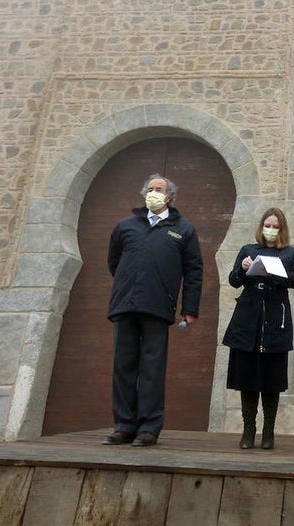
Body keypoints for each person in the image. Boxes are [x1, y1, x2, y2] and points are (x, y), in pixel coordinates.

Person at [102, 174, 204, 447]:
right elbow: (114, 262)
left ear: (169, 196)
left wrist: (189, 308)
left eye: (159, 189)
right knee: (123, 366)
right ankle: (123, 425)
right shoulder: (126, 226)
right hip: (125, 305)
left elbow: (194, 271)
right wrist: (128, 284)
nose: (153, 192)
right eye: (150, 189)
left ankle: (149, 427)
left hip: (158, 307)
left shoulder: (183, 229)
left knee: (152, 368)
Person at [222, 207, 294, 450]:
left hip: (274, 319)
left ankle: (268, 431)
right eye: (267, 225)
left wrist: (276, 272)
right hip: (248, 319)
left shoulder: (290, 254)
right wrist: (243, 268)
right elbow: (234, 280)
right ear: (261, 227)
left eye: (275, 226)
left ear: (282, 229)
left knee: (271, 379)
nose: (270, 230)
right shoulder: (249, 250)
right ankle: (248, 430)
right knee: (247, 378)